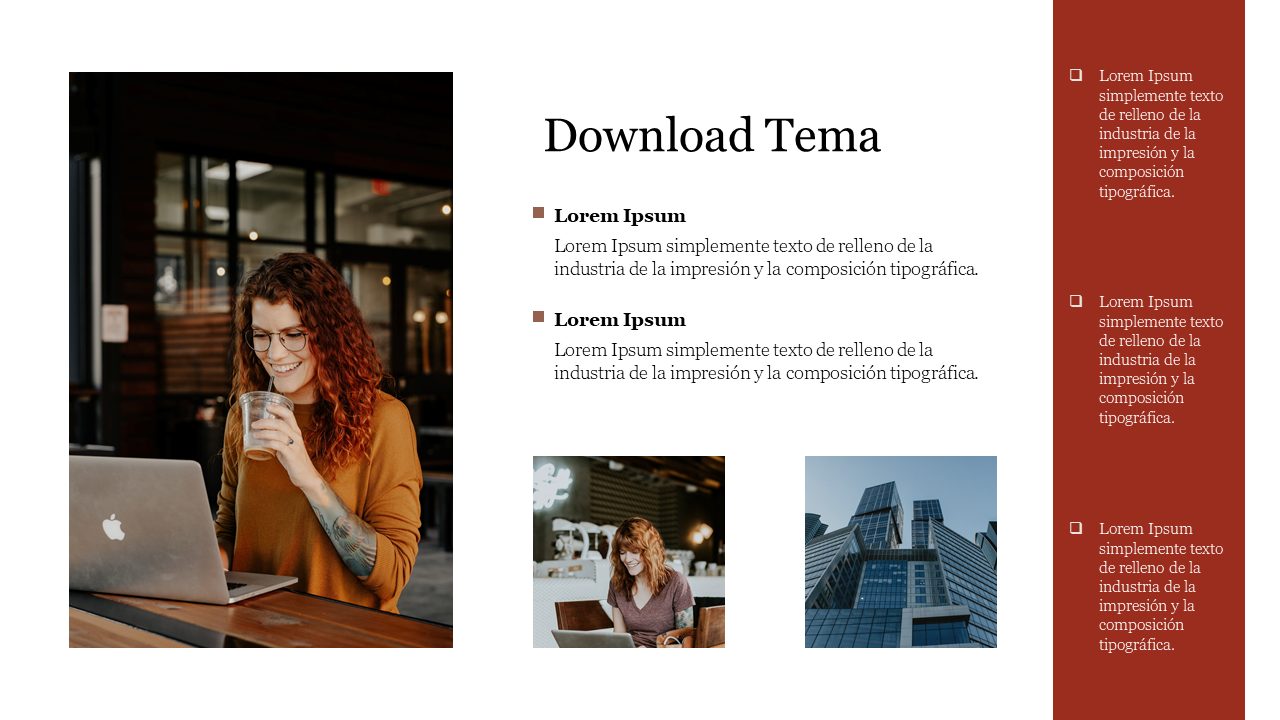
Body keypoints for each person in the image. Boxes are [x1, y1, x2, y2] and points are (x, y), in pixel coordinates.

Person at [215, 253, 422, 614]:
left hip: (343, 638)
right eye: (261, 336)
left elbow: (392, 576)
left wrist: (308, 477)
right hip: (252, 632)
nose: (275, 353)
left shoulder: (384, 419)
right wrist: (199, 557)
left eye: (294, 335)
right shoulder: (245, 416)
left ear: (330, 333)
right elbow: (230, 528)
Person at [606, 517, 694, 648]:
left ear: (650, 551)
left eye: (635, 552)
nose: (627, 559)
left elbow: (687, 640)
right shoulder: (617, 584)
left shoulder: (676, 582)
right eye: (622, 552)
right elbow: (619, 637)